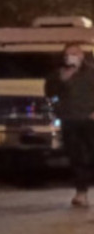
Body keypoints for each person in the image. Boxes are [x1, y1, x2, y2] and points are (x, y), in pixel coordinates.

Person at [44, 43, 94, 208]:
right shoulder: (57, 74)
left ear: (81, 56)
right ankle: (81, 193)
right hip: (70, 121)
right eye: (67, 54)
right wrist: (62, 82)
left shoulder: (91, 72)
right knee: (76, 157)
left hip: (90, 121)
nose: (69, 57)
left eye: (73, 53)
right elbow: (50, 94)